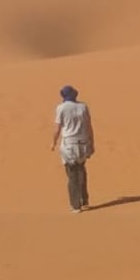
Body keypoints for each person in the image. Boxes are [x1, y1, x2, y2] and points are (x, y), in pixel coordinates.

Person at [51, 85, 94, 213]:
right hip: (83, 143)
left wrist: (53, 142)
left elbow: (57, 128)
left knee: (72, 174)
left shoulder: (61, 108)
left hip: (69, 145)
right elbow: (89, 127)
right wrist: (92, 144)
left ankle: (76, 206)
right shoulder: (83, 107)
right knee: (81, 171)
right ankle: (84, 201)